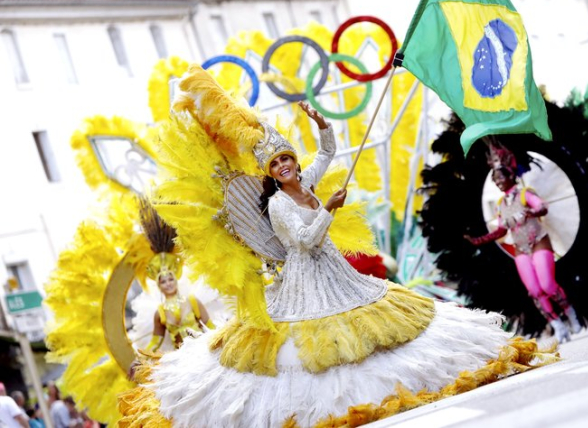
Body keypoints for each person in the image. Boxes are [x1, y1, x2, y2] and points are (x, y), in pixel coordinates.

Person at [118, 67, 558, 427]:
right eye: (279, 163)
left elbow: (326, 157)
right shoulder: (276, 206)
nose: (288, 166)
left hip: (335, 270)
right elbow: (305, 241)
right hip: (306, 276)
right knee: (322, 345)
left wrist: (323, 127)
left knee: (378, 322)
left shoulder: (304, 180)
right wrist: (327, 209)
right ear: (271, 172)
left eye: (288, 158)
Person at [465, 143, 582, 342]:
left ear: (511, 175)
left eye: (501, 177)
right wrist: (479, 241)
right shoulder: (502, 204)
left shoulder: (525, 193)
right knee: (535, 291)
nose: (498, 182)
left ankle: (569, 310)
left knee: (548, 285)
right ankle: (557, 325)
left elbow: (542, 207)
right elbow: (501, 230)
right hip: (521, 248)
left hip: (538, 241)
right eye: (495, 179)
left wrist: (533, 211)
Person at [139, 199, 215, 351]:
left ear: (176, 279)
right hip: (180, 358)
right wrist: (142, 356)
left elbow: (210, 326)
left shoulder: (192, 301)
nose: (168, 283)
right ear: (159, 286)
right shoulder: (159, 313)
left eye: (170, 279)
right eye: (163, 281)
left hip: (202, 352)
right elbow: (155, 341)